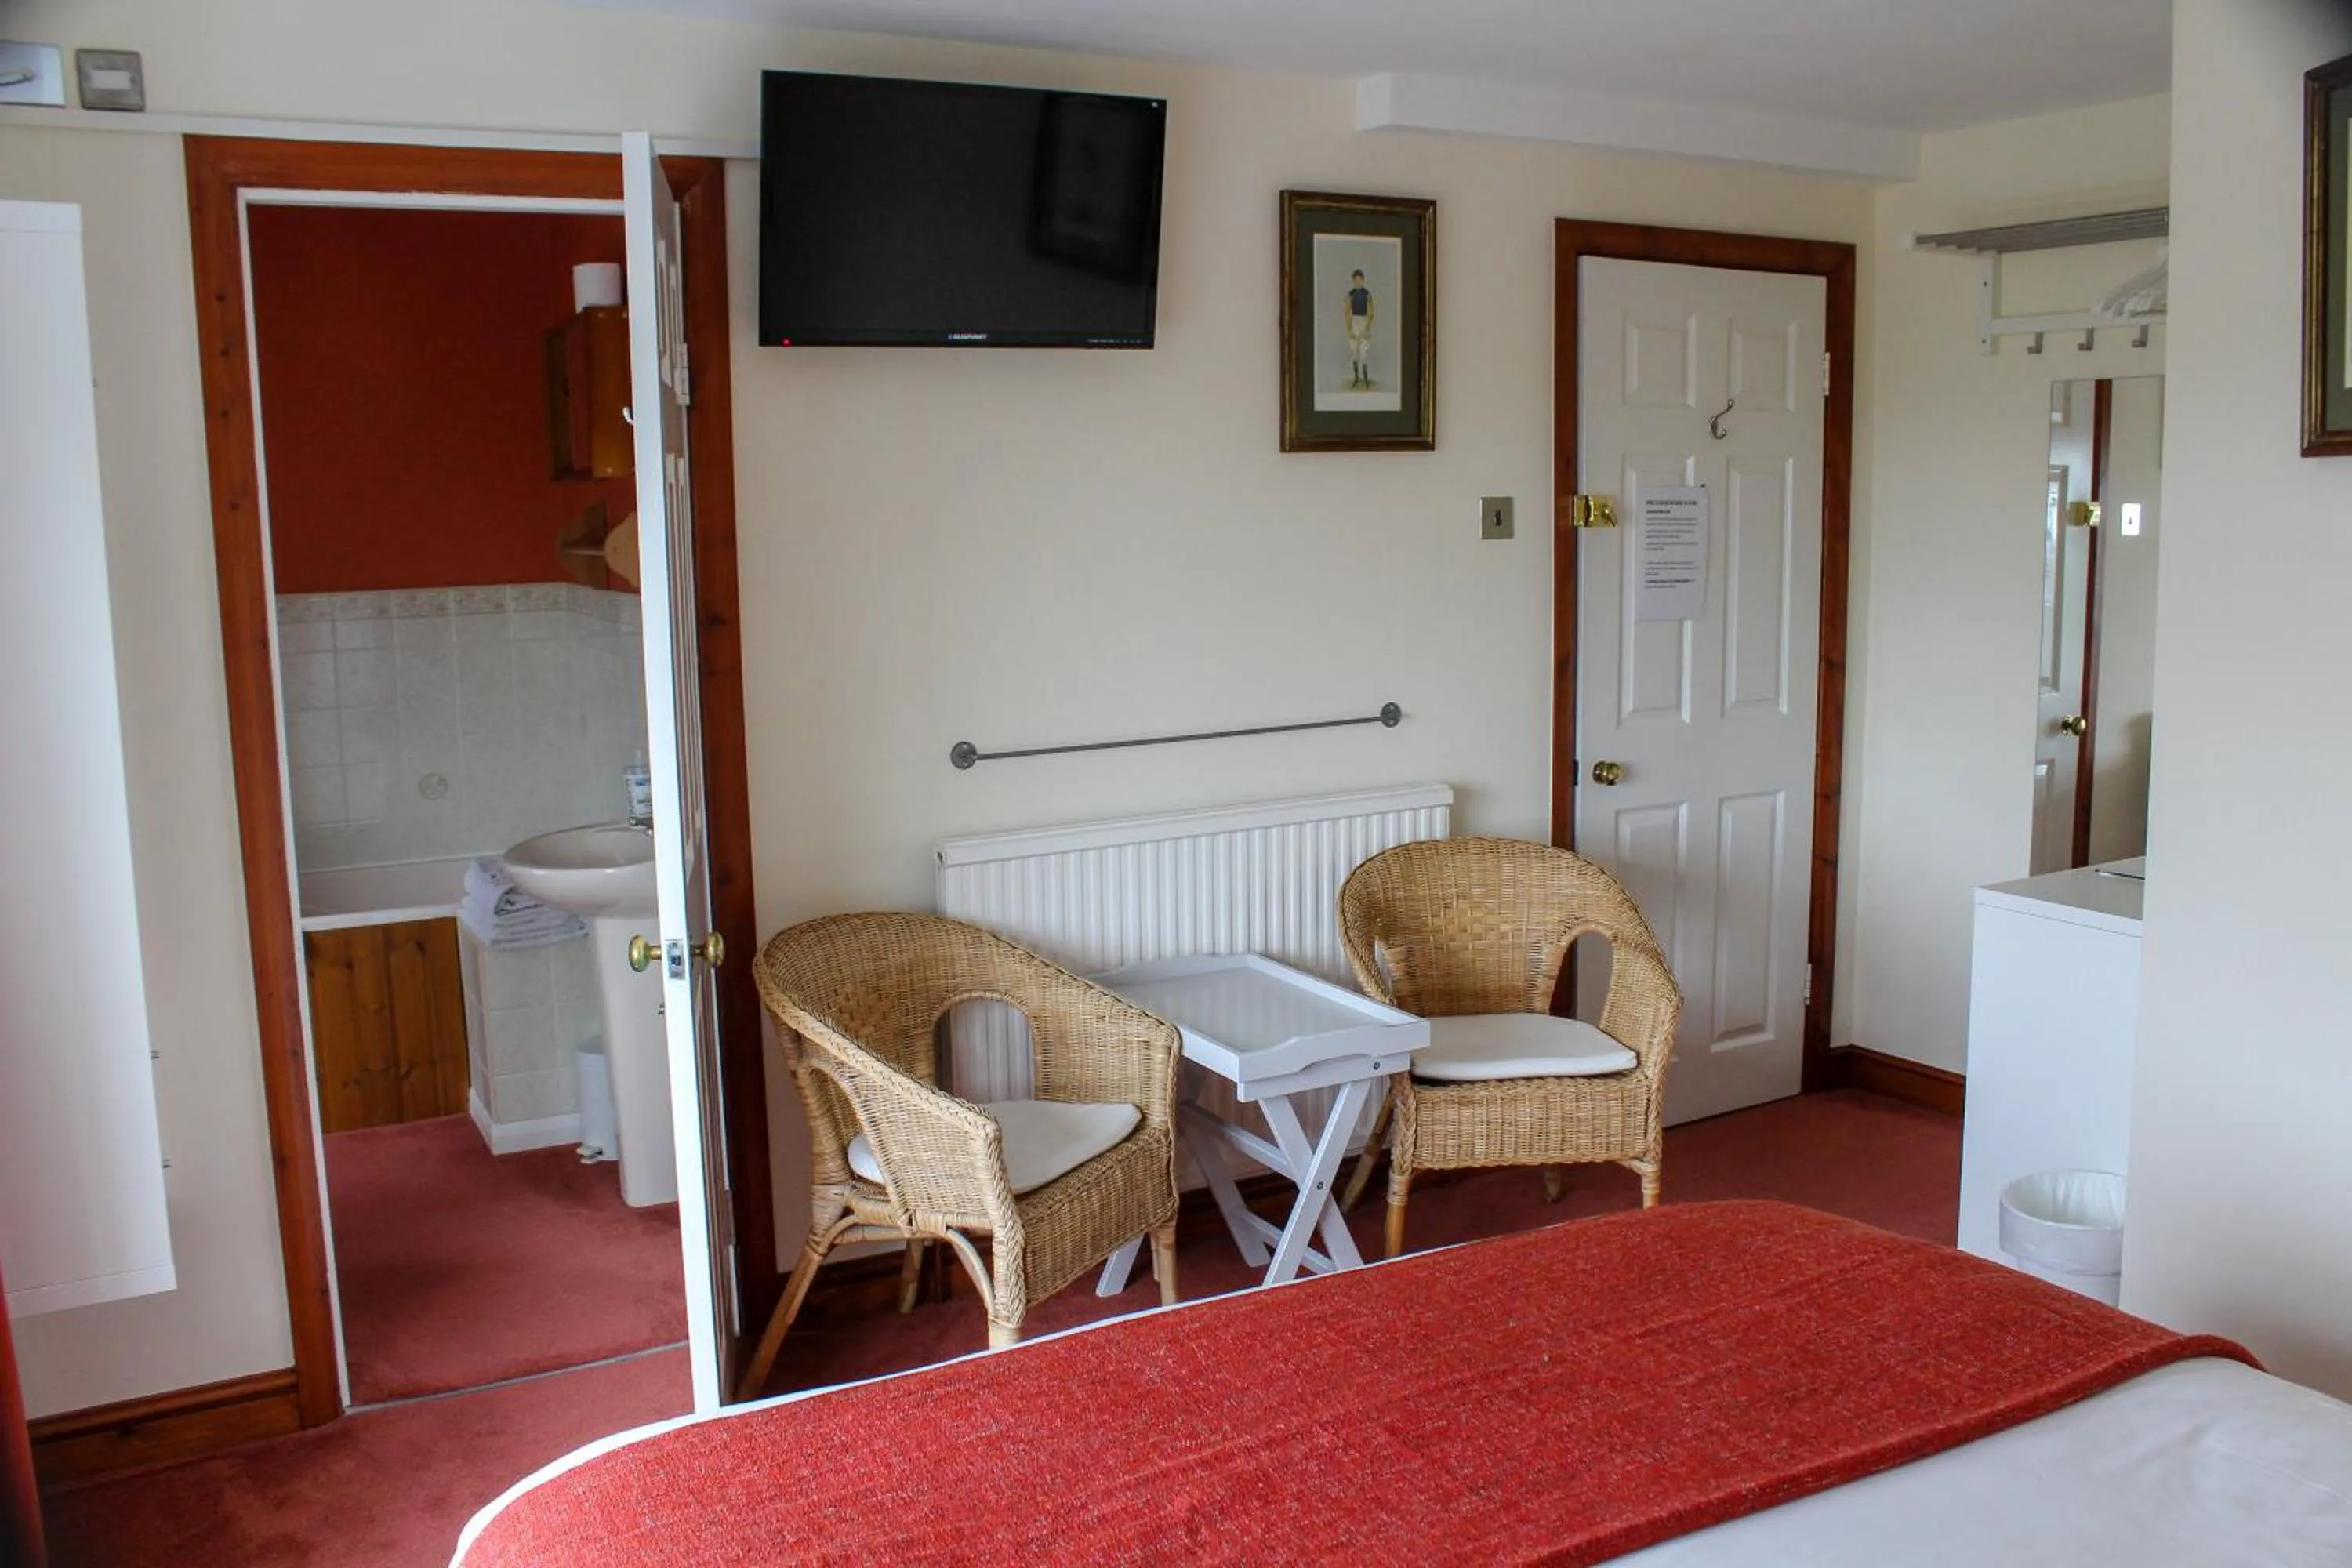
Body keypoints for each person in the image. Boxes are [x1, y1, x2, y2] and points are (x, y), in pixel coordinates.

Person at [1343, 267, 1374, 387]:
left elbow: (1371, 313)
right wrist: (1350, 329)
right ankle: (1356, 378)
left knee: (1364, 352)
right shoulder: (1350, 294)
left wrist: (1367, 329)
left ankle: (1365, 379)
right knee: (1354, 352)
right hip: (1354, 321)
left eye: (1360, 279)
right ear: (1353, 280)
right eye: (1355, 279)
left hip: (1364, 321)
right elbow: (1347, 312)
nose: (1358, 281)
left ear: (1363, 280)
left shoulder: (1368, 294)